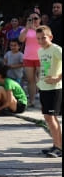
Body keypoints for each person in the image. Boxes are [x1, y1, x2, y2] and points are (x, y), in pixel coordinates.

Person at [36, 25, 62, 158]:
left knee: (52, 118)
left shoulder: (56, 49)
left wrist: (58, 77)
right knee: (48, 117)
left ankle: (59, 147)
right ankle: (56, 144)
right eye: (38, 38)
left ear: (50, 37)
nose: (41, 41)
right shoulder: (40, 51)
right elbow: (43, 68)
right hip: (44, 87)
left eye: (43, 38)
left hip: (55, 88)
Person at [19, 11, 42, 107]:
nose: (33, 20)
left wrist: (35, 29)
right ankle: (32, 101)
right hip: (28, 57)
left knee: (42, 79)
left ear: (40, 20)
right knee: (30, 80)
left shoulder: (43, 29)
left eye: (36, 18)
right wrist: (27, 29)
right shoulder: (25, 30)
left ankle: (43, 101)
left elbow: (45, 39)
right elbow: (21, 40)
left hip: (41, 57)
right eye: (31, 19)